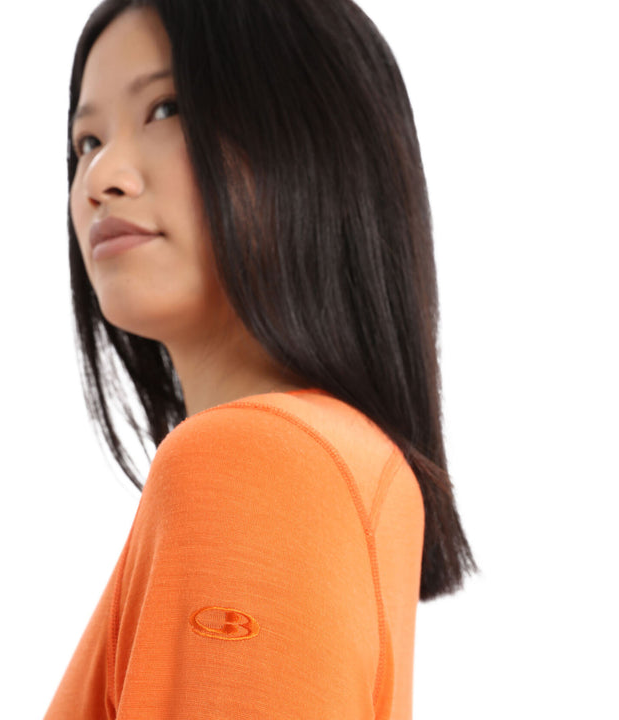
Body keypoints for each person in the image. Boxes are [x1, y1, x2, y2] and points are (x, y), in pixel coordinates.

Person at [44, 0, 477, 718]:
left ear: (315, 140)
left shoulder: (255, 461)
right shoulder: (342, 460)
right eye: (86, 141)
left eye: (167, 108)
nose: (100, 178)